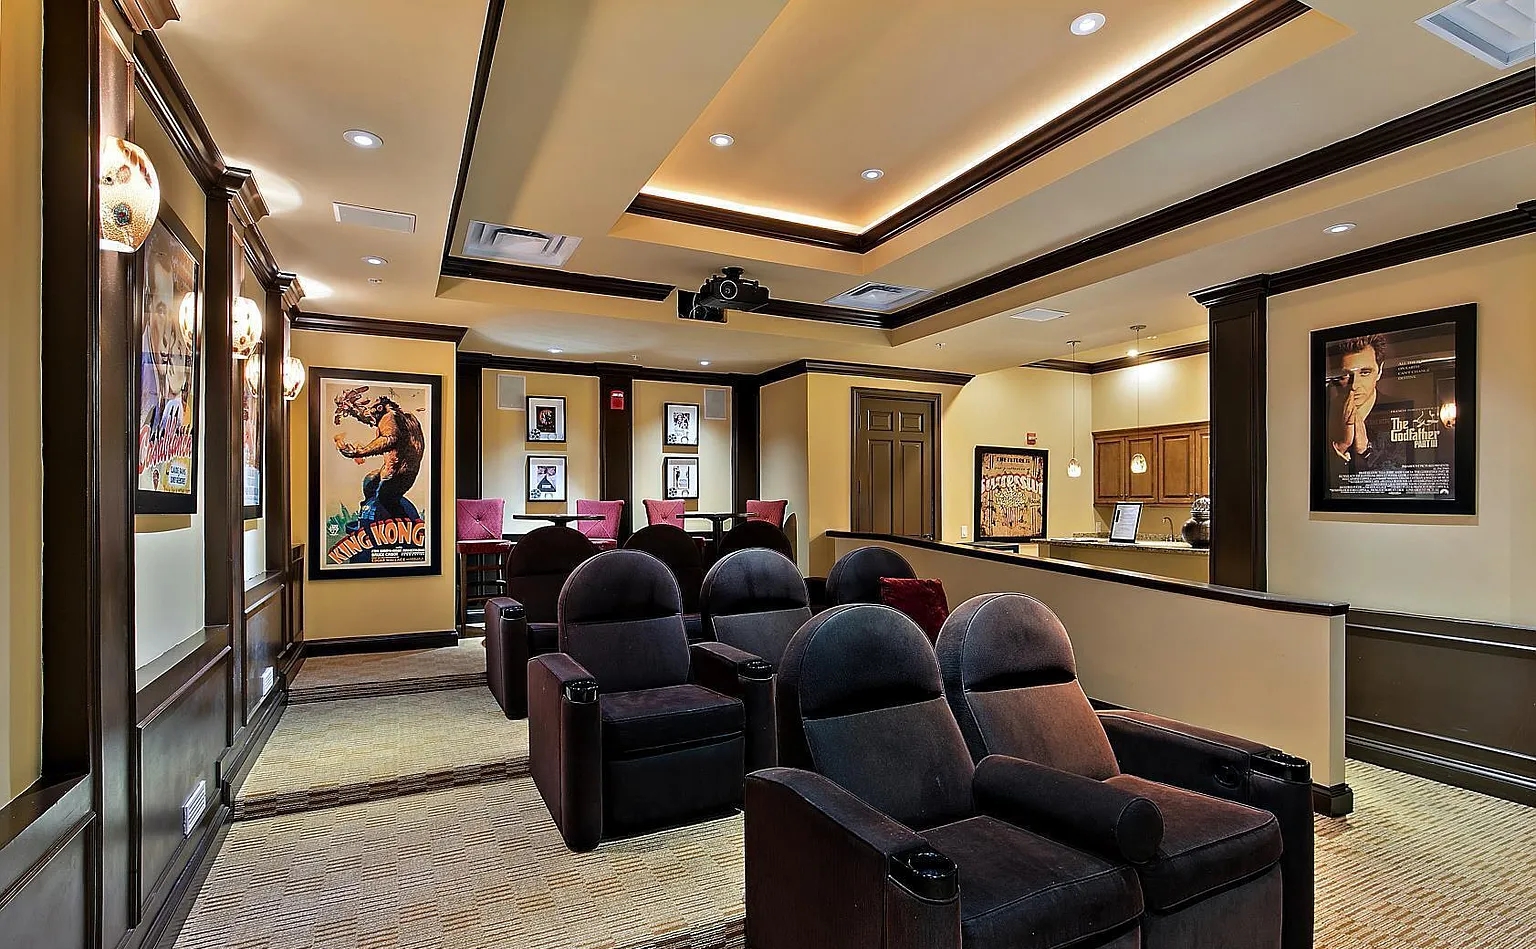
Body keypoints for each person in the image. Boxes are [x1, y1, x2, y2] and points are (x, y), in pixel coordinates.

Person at [332, 388, 424, 522]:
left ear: (380, 408)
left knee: (386, 497)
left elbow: (389, 439)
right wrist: (351, 409)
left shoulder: (390, 416)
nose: (368, 414)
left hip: (400, 472)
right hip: (395, 469)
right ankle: (370, 519)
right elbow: (368, 418)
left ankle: (403, 525)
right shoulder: (398, 418)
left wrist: (360, 451)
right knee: (369, 482)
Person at [1326, 334, 1405, 480]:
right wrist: (1342, 446)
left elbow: (1403, 479)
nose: (1354, 385)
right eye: (1345, 375)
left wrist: (1366, 451)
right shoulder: (1322, 414)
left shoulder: (1403, 413)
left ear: (1379, 371)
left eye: (1365, 373)